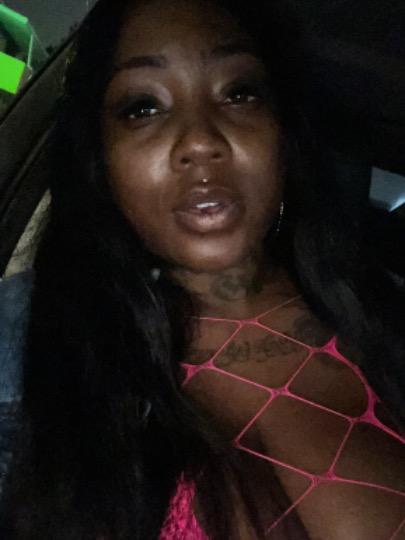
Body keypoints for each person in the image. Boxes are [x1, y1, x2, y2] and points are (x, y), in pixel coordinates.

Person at [1, 0, 404, 538]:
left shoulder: (381, 312)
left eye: (239, 93)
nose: (200, 142)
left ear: (282, 132)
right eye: (143, 107)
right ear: (100, 155)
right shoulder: (29, 354)